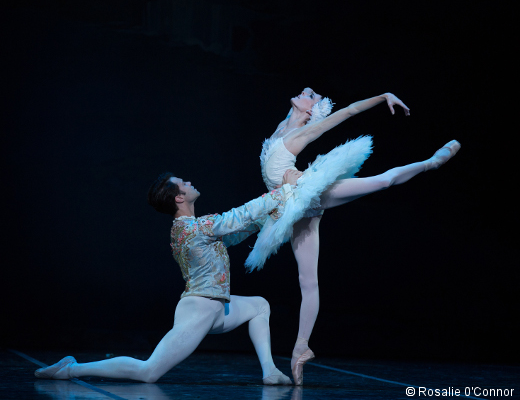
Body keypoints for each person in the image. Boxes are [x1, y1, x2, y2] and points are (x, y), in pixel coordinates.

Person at [247, 87, 460, 385]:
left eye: (312, 95)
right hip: (292, 205)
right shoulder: (284, 126)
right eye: (309, 91)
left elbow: (348, 112)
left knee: (383, 181)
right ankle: (301, 348)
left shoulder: (299, 135)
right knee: (307, 281)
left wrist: (382, 96)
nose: (307, 91)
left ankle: (432, 163)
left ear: (311, 111)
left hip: (309, 191)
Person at [34, 171, 302, 385]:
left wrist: (273, 216)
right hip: (200, 309)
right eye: (182, 182)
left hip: (217, 307)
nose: (188, 181)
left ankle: (269, 371)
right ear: (178, 197)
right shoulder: (195, 228)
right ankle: (71, 369)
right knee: (149, 371)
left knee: (260, 305)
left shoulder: (194, 228)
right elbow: (239, 216)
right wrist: (282, 192)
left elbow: (236, 231)